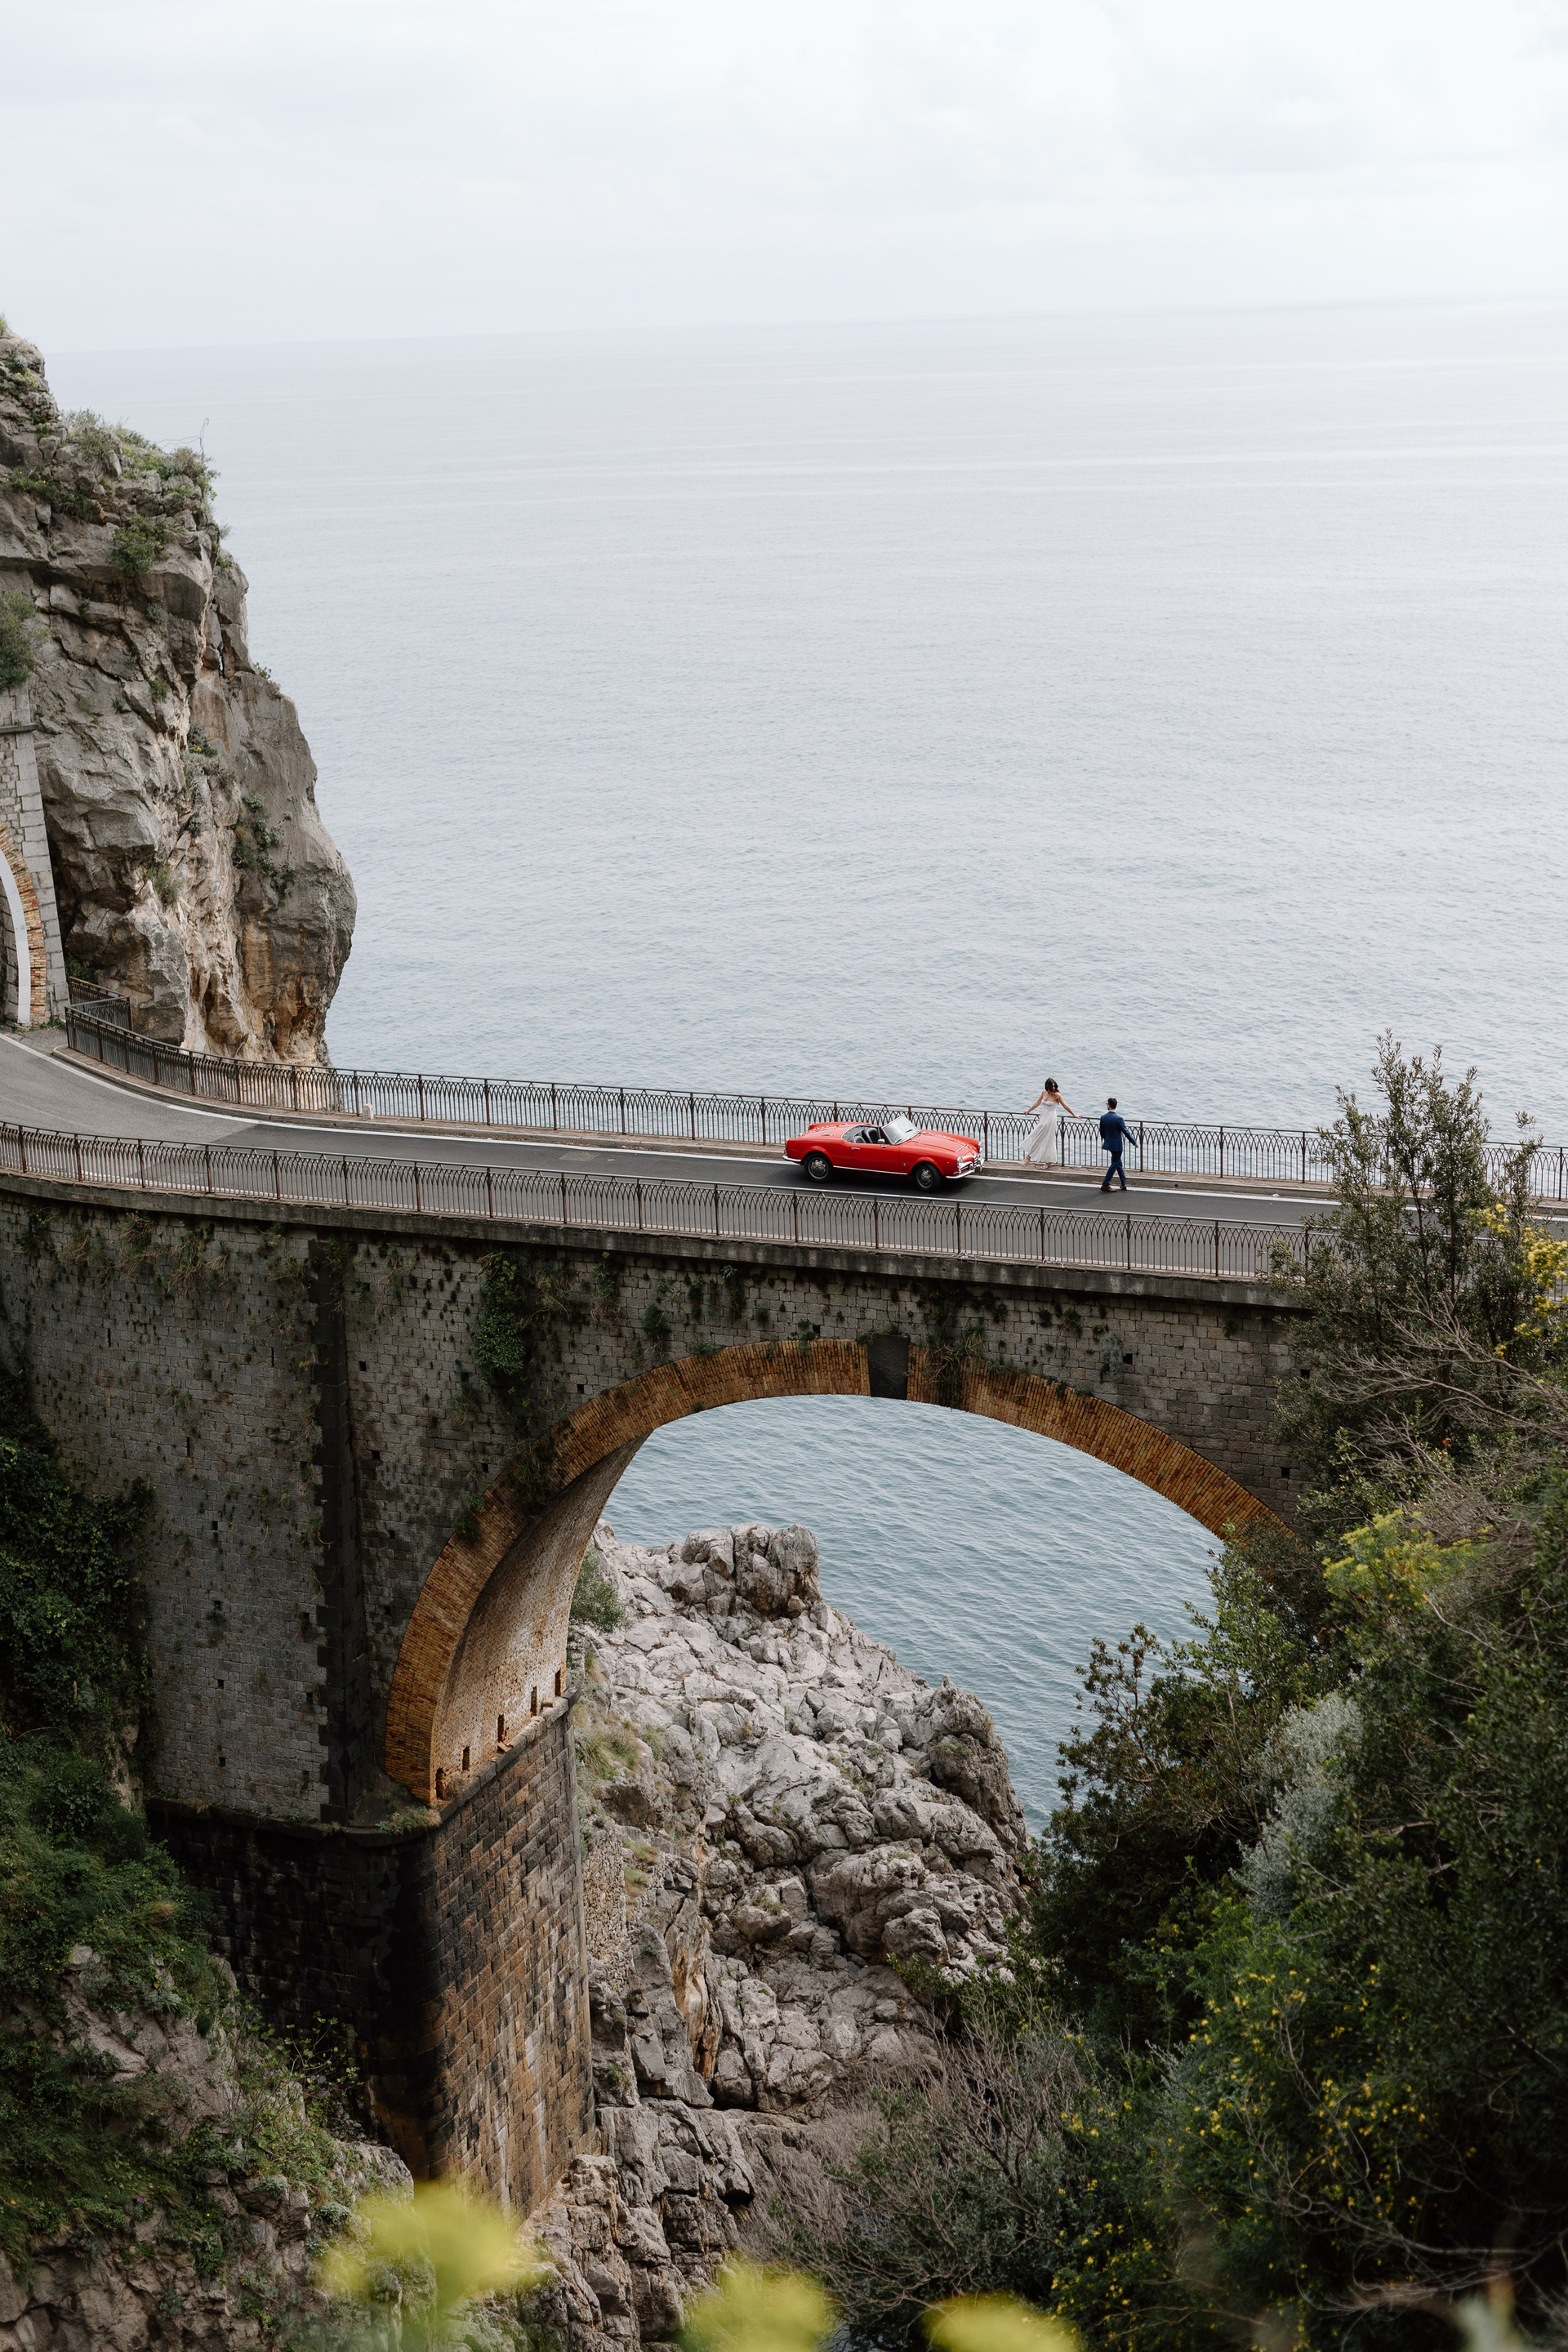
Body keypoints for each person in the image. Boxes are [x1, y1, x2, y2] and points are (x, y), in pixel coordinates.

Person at [1022, 1076, 1076, 1167]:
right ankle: (1029, 1156)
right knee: (1037, 1135)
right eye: (1052, 1086)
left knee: (1048, 1139)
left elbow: (1065, 1106)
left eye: (1054, 1086)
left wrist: (1074, 1114)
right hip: (1043, 1116)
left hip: (1051, 1118)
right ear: (1047, 1086)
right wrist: (1029, 1110)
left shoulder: (1057, 1095)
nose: (1053, 1088)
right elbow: (1037, 1103)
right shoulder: (1044, 1092)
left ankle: (1044, 1160)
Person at [1098, 1097, 1140, 1192]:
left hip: (1109, 1144)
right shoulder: (1119, 1118)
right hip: (1117, 1145)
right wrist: (1134, 1142)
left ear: (1109, 1106)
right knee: (1115, 1164)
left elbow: (1102, 1132)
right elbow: (1126, 1132)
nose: (1107, 1105)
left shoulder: (1103, 1117)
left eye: (1107, 1104)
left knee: (1118, 1163)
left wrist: (1107, 1140)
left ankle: (1123, 1183)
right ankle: (1105, 1184)